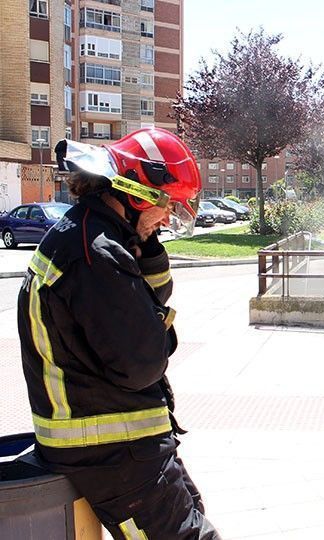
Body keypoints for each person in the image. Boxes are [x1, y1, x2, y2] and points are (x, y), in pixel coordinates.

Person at [17, 128, 221, 539]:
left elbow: (151, 301)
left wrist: (149, 247)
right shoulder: (98, 254)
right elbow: (143, 363)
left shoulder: (100, 236)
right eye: (166, 205)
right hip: (111, 449)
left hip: (123, 438)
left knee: (194, 518)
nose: (167, 217)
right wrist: (161, 329)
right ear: (136, 193)